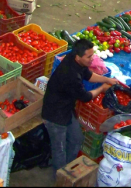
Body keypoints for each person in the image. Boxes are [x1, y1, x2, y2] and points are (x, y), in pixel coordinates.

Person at [42, 40, 119, 173]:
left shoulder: (74, 59)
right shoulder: (70, 75)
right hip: (54, 114)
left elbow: (88, 75)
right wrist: (102, 89)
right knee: (59, 150)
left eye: (92, 55)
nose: (92, 59)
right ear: (78, 57)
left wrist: (106, 80)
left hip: (66, 108)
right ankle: (60, 177)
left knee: (77, 139)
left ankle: (67, 168)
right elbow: (85, 97)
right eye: (89, 57)